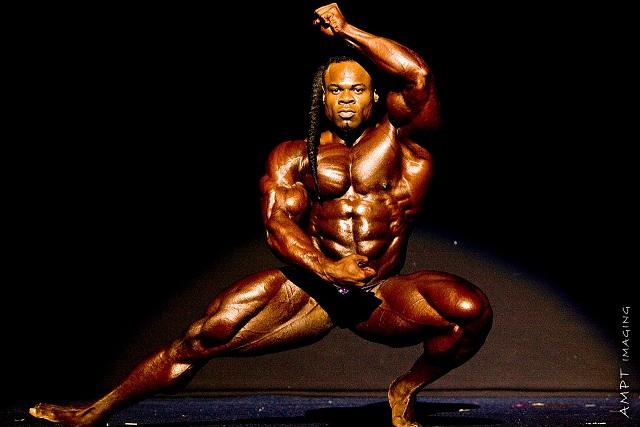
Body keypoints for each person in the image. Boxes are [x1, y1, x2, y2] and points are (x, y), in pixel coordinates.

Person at [30, 3, 492, 427]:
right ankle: (94, 412)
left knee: (469, 313)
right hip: (313, 289)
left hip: (379, 292)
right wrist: (328, 268)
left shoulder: (405, 143)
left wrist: (347, 31)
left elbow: (417, 75)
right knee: (205, 336)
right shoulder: (294, 155)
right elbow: (278, 227)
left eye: (357, 89)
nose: (347, 99)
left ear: (375, 97)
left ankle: (405, 388)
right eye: (336, 90)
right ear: (322, 99)